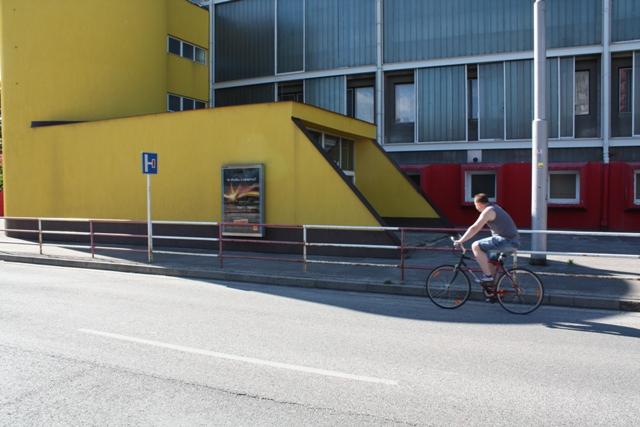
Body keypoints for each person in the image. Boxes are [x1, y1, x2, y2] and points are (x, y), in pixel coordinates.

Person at [453, 193, 519, 284]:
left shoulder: (488, 211)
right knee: (490, 265)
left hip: (506, 241)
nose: (476, 208)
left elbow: (475, 228)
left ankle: (487, 276)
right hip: (511, 242)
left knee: (475, 246)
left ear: (479, 204)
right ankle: (493, 293)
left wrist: (461, 241)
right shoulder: (495, 207)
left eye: (475, 205)